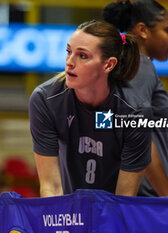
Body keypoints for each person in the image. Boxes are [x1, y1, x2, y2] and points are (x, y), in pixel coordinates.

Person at [29, 19, 151, 197]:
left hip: (121, 211)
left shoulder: (136, 112)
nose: (70, 62)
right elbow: (51, 187)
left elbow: (124, 196)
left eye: (83, 56)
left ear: (109, 64)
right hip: (71, 213)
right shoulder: (45, 100)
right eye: (68, 51)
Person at [102, 0, 168, 197]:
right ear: (143, 30)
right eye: (167, 30)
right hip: (142, 197)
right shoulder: (141, 67)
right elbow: (138, 132)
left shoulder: (130, 67)